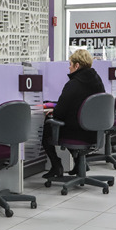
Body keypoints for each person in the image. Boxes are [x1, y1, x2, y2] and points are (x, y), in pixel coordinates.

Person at [42, 49, 105, 178]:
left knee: (49, 126)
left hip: (80, 133)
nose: (69, 68)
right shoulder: (97, 80)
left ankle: (56, 166)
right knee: (70, 125)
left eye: (70, 64)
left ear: (77, 66)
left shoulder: (73, 84)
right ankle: (80, 163)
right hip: (95, 132)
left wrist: (53, 112)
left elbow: (59, 113)